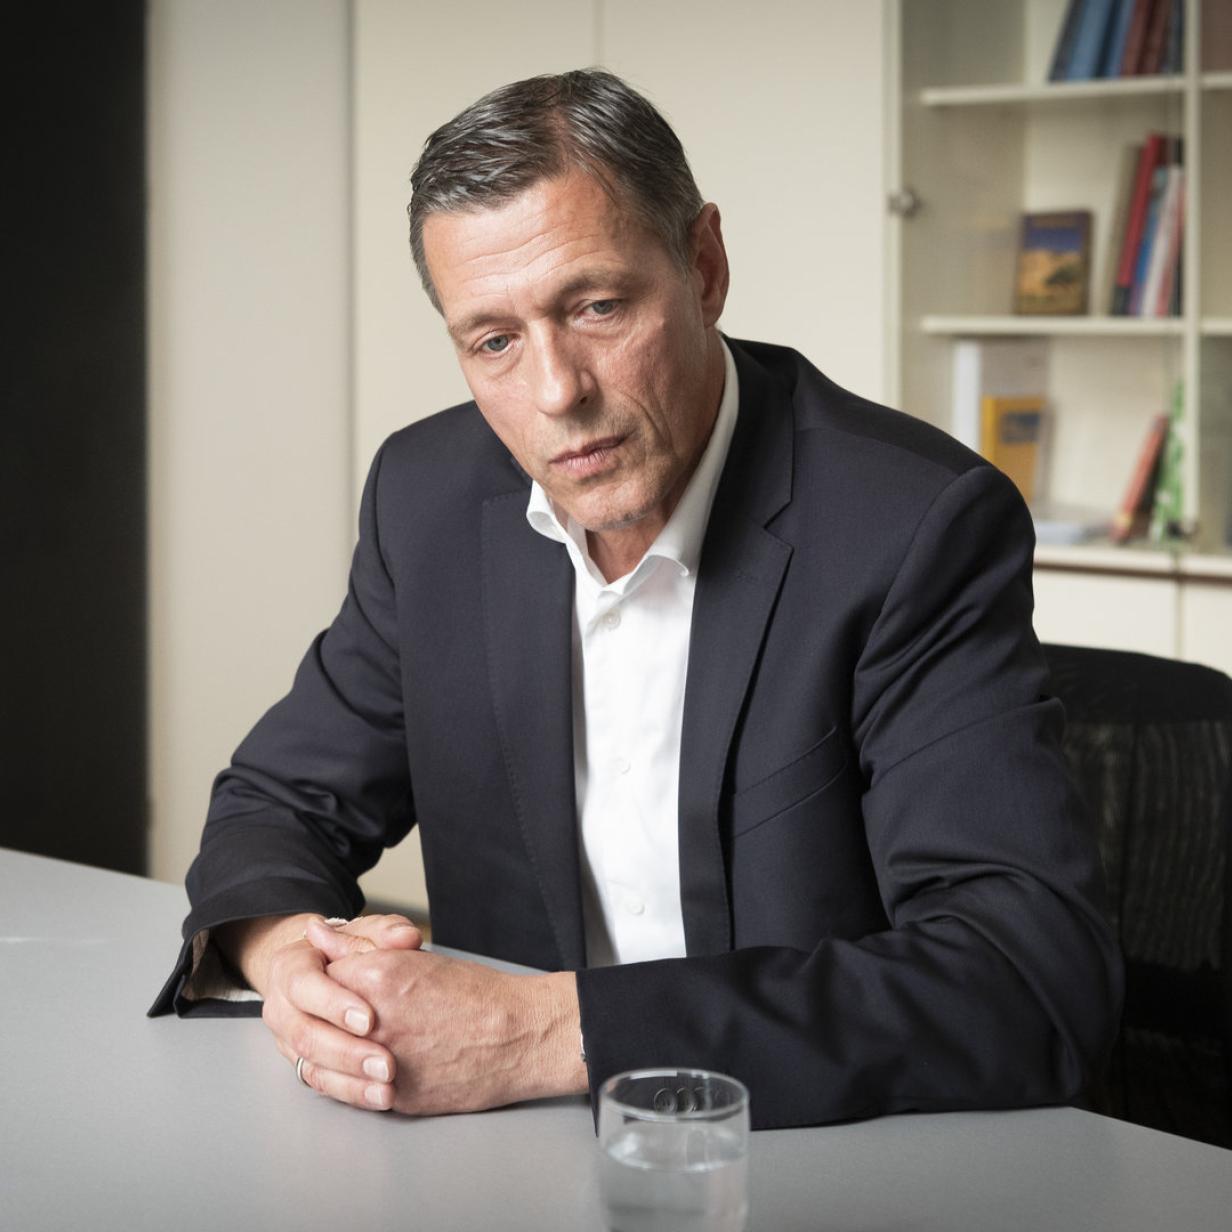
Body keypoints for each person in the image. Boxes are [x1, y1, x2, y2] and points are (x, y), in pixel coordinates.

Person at [152, 69, 1122, 1131]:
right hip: (508, 1157)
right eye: (494, 340)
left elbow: (1023, 975)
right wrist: (293, 961)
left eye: (597, 307)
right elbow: (277, 803)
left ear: (703, 266)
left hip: (813, 1156)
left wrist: (535, 1033)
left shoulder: (910, 527)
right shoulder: (427, 501)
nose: (557, 391)